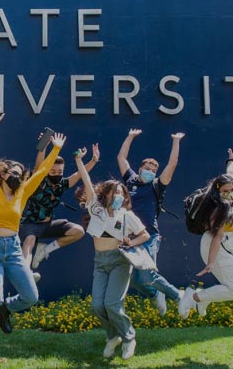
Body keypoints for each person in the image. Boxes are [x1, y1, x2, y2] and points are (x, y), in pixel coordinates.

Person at [0, 107, 65, 356]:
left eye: (20, 174)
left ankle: (6, 308)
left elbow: (39, 173)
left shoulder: (22, 193)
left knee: (30, 297)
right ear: (2, 174)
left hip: (13, 249)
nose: (18, 176)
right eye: (13, 173)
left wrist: (55, 149)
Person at [74, 147, 150, 360]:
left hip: (119, 261)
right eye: (114, 192)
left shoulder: (127, 215)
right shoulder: (95, 209)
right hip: (100, 262)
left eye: (121, 193)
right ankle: (112, 336)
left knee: (112, 304)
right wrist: (80, 160)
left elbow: (144, 235)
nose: (118, 195)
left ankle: (128, 337)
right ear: (105, 194)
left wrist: (130, 242)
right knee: (98, 305)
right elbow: (87, 182)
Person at [178, 149, 233, 319]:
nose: (230, 193)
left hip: (230, 247)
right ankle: (193, 296)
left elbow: (230, 172)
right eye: (225, 191)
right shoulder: (220, 209)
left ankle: (204, 298)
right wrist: (210, 262)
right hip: (216, 247)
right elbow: (216, 237)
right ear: (218, 192)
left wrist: (231, 158)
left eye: (232, 189)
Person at [117, 128, 185, 315]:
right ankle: (156, 294)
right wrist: (130, 136)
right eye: (147, 169)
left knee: (147, 274)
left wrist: (176, 140)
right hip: (130, 237)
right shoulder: (130, 180)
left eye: (153, 171)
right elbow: (121, 158)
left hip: (149, 236)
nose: (150, 172)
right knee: (136, 280)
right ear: (140, 169)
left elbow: (172, 164)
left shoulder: (157, 185)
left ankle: (178, 296)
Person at [20, 140, 100, 280]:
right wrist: (44, 145)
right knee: (30, 240)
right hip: (30, 224)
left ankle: (45, 250)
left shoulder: (63, 183)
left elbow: (80, 174)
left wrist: (93, 161)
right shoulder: (39, 179)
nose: (56, 174)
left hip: (48, 225)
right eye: (53, 171)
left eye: (60, 171)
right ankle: (26, 274)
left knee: (78, 231)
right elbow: (39, 165)